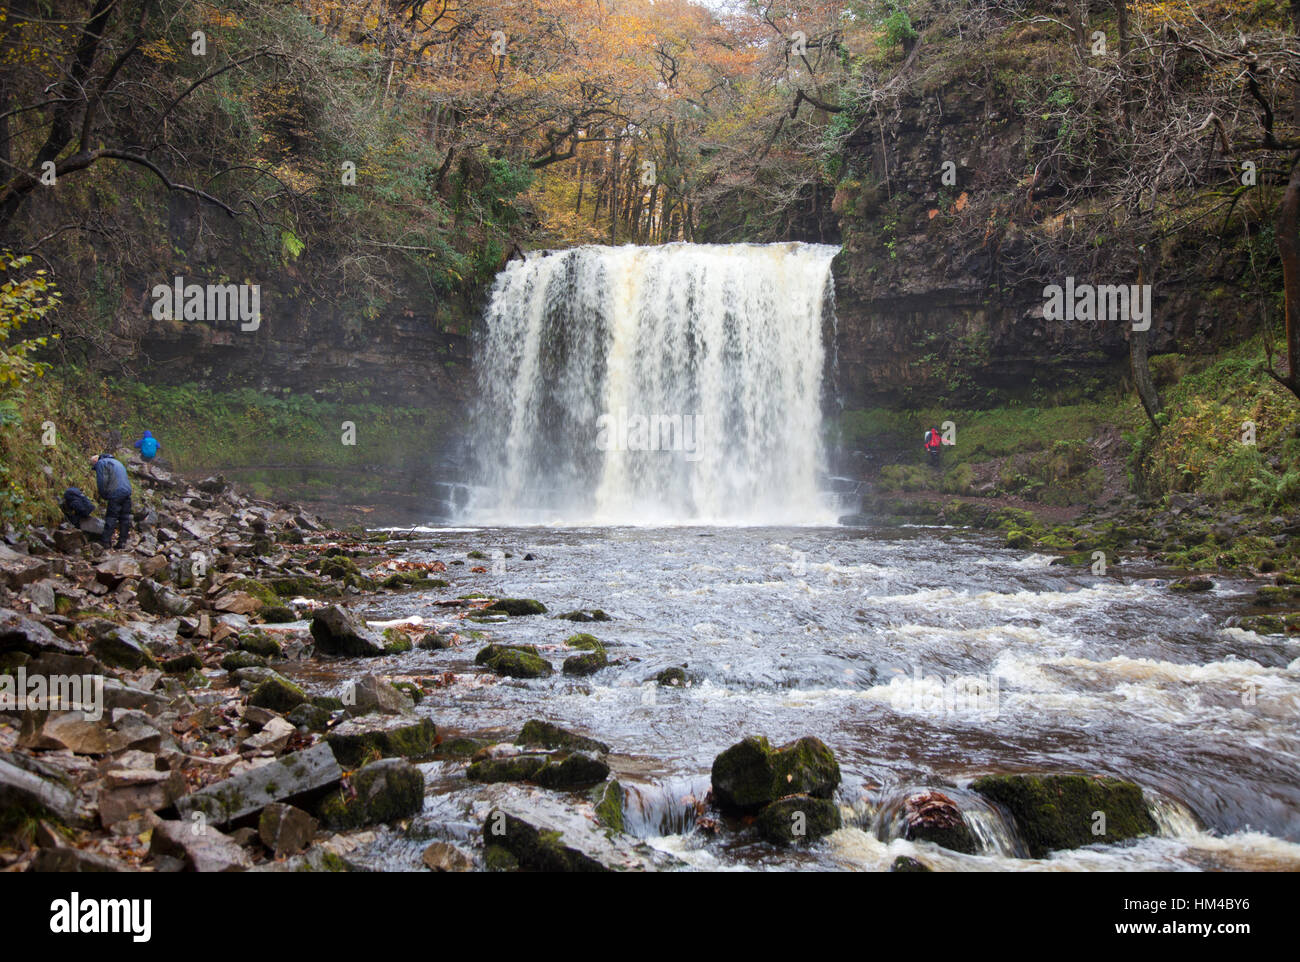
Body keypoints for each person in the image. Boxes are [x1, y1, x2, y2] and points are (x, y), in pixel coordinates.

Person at [91, 453, 132, 549]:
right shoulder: (117, 462)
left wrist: (103, 495)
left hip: (116, 492)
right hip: (127, 491)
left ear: (95, 462)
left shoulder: (101, 463)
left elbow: (102, 481)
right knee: (125, 518)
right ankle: (122, 542)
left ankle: (105, 542)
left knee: (111, 517)